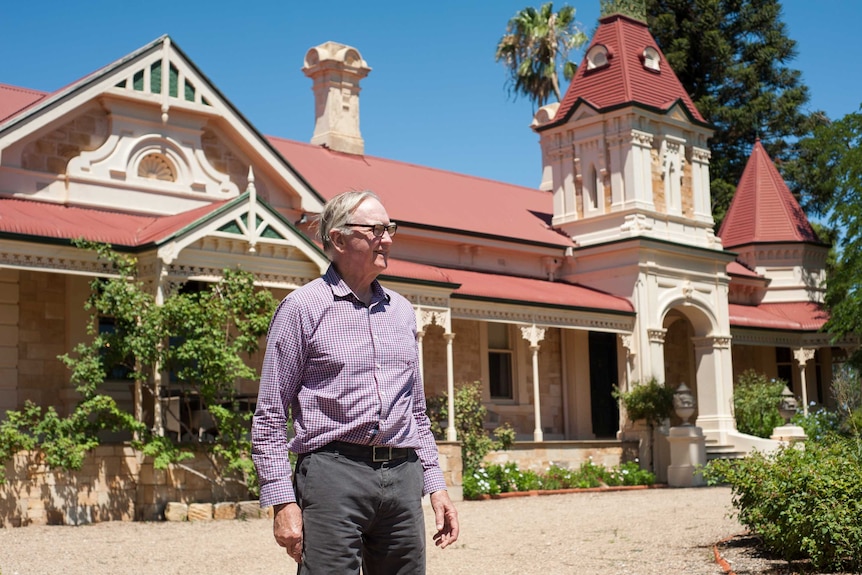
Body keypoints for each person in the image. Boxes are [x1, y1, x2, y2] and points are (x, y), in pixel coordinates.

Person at [252, 190, 459, 574]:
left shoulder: (401, 311)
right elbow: (268, 415)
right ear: (339, 239)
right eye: (377, 229)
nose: (389, 238)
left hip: (402, 476)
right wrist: (282, 502)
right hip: (333, 474)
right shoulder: (301, 308)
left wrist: (436, 485)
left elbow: (416, 412)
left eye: (390, 228)